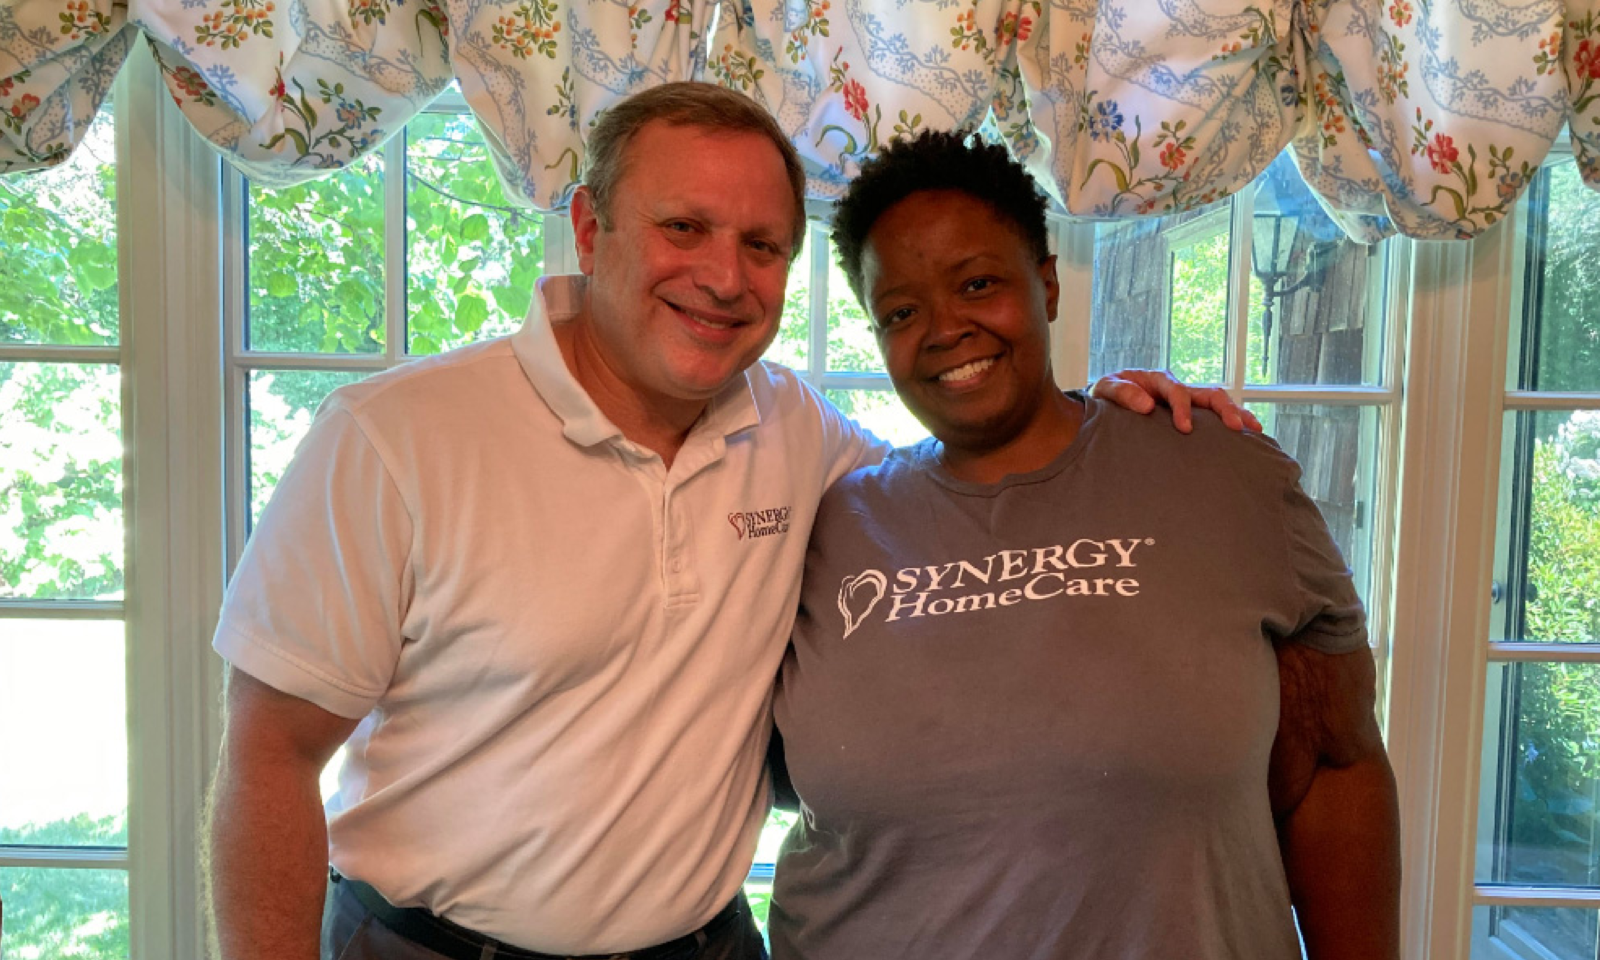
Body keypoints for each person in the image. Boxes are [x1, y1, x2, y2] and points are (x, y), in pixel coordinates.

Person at [201, 82, 1254, 960]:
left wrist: (1099, 416)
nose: (722, 276)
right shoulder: (395, 437)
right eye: (683, 228)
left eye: (761, 245)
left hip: (705, 946)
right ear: (588, 226)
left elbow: (968, 491)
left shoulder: (794, 432)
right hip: (430, 949)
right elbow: (269, 757)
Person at [767, 130, 1401, 960]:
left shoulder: (1219, 471)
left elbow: (1335, 762)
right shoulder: (831, 525)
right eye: (901, 312)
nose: (945, 328)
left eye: (978, 283)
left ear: (1048, 283)